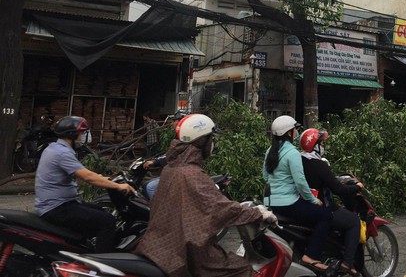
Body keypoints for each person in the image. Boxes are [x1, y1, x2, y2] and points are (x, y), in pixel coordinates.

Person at [136, 114, 275, 277]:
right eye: (210, 138)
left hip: (160, 245)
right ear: (201, 141)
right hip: (185, 252)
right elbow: (220, 208)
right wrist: (258, 214)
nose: (212, 144)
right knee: (242, 269)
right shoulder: (192, 174)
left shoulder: (171, 169)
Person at [35, 116, 136, 252]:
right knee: (107, 220)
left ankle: (81, 248)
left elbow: (81, 173)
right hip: (58, 207)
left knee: (99, 211)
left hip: (61, 203)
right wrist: (118, 186)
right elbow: (88, 177)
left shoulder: (55, 148)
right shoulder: (62, 153)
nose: (82, 137)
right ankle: (102, 261)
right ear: (72, 134)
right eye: (81, 133)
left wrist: (103, 178)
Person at [263, 115, 333, 272]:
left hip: (269, 202)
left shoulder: (270, 151)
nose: (296, 132)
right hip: (288, 203)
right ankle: (311, 255)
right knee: (325, 216)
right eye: (294, 129)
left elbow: (265, 176)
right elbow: (300, 182)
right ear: (288, 133)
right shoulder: (292, 153)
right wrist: (313, 200)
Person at [300, 128, 364, 275]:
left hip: (304, 206)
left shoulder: (299, 160)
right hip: (323, 208)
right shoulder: (319, 164)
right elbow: (338, 189)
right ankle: (347, 263)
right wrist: (356, 187)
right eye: (321, 143)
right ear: (314, 145)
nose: (323, 146)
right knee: (354, 221)